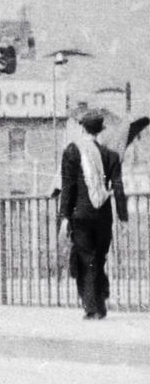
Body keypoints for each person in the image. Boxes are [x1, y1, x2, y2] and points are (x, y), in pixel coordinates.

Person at [59, 108, 128, 320]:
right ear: (100, 131)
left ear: (82, 128)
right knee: (98, 259)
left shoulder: (72, 151)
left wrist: (64, 218)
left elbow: (68, 187)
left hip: (80, 216)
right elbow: (118, 188)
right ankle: (100, 301)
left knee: (85, 259)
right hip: (103, 216)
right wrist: (123, 218)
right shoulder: (111, 156)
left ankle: (93, 308)